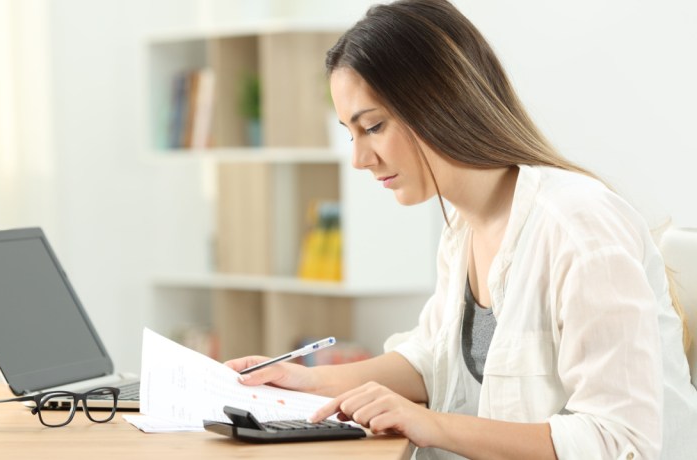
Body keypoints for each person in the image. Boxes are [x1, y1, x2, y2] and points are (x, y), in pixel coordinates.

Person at [225, 1, 697, 458]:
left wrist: (434, 426)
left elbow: (618, 440)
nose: (359, 159)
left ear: (439, 103)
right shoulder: (464, 228)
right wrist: (307, 381)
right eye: (352, 133)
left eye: (372, 127)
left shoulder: (578, 226)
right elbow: (435, 359)